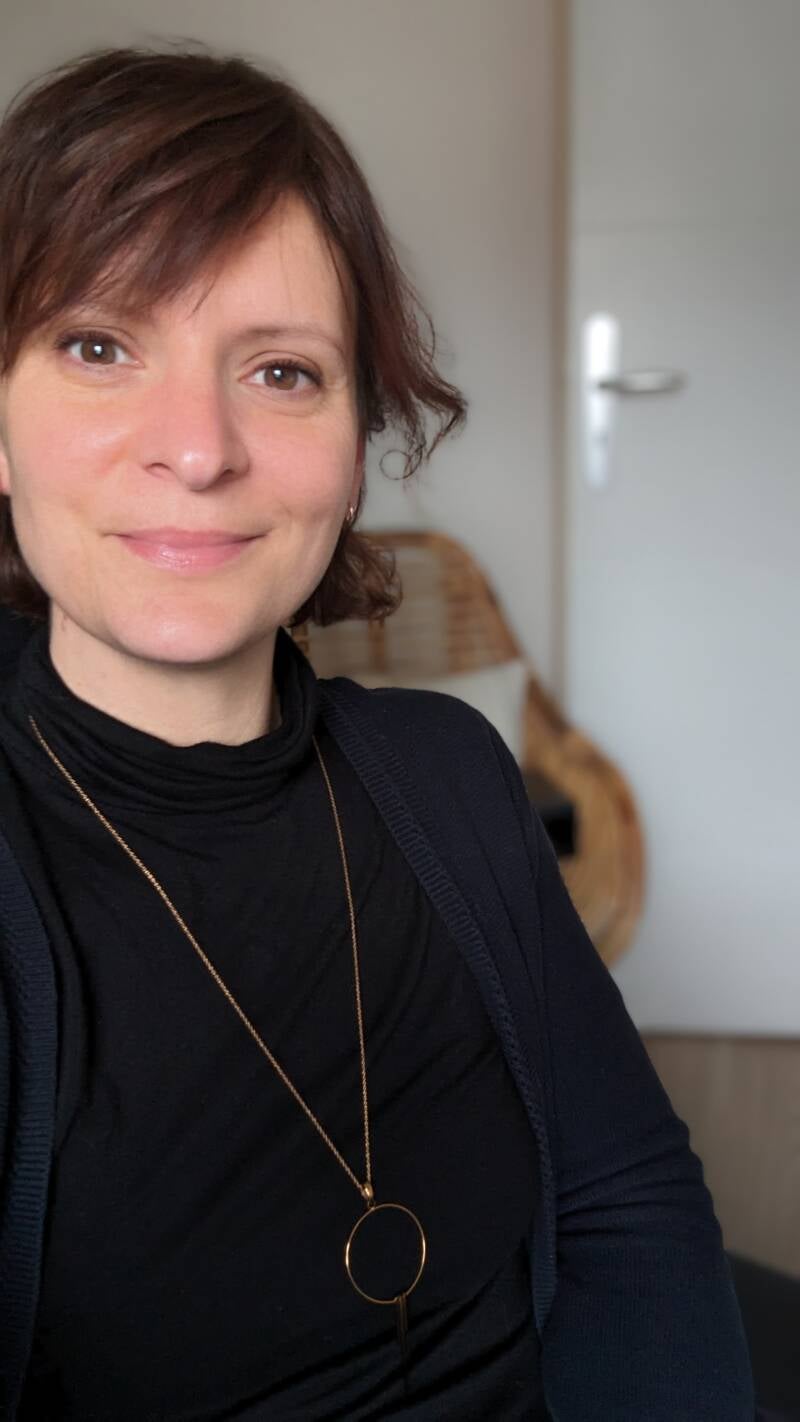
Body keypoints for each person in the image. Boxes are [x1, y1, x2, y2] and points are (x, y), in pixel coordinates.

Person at [0, 45, 754, 1422]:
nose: (199, 448)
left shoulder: (448, 770)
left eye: (282, 371)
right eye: (99, 346)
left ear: (356, 452)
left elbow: (628, 1198)